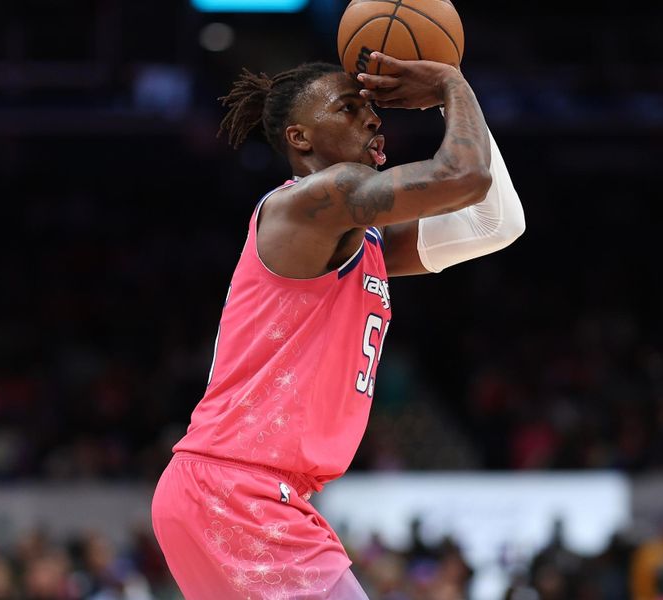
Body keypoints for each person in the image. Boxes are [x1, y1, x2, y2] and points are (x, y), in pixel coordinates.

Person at [151, 52, 525, 599]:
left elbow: (496, 221)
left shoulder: (357, 239)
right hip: (237, 492)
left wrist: (457, 103)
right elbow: (464, 176)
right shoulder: (313, 201)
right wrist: (450, 83)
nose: (373, 119)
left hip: (235, 491)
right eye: (350, 109)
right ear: (300, 138)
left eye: (371, 109)